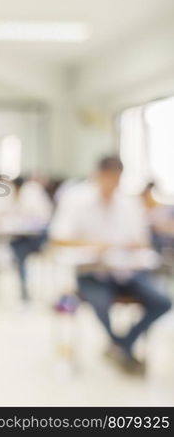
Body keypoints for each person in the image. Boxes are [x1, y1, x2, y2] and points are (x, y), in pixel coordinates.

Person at [49, 155, 171, 374]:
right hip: (91, 273)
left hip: (126, 272)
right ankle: (121, 347)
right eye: (108, 177)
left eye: (116, 178)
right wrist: (98, 245)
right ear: (98, 175)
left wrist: (134, 247)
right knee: (101, 303)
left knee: (162, 302)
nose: (112, 183)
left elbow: (142, 243)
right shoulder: (77, 199)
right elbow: (58, 237)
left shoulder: (128, 204)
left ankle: (120, 345)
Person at [0, 176, 52, 302]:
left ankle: (24, 291)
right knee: (13, 251)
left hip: (37, 237)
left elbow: (42, 218)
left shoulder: (32, 193)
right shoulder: (11, 195)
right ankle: (21, 288)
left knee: (18, 252)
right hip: (20, 237)